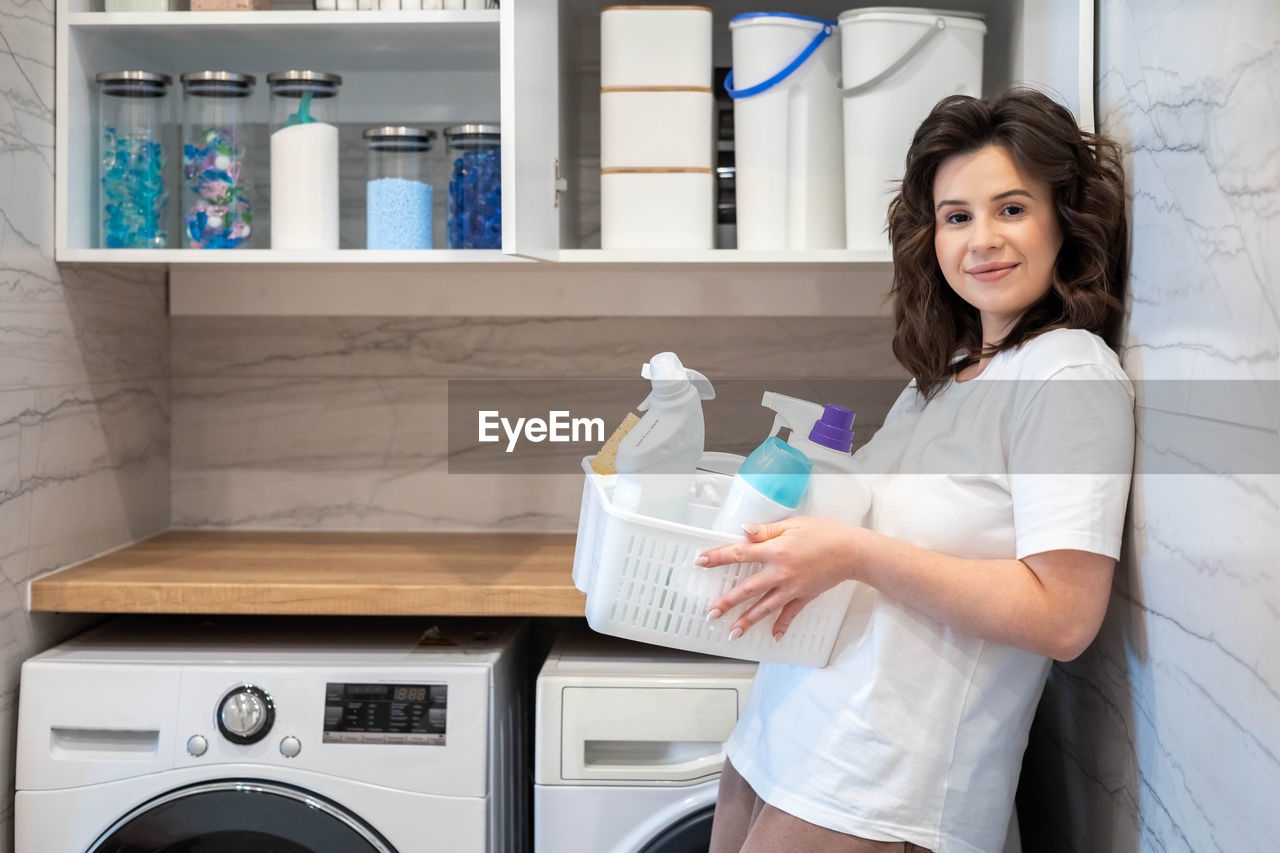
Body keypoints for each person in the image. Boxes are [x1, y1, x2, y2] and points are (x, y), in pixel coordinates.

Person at [699, 87, 1135, 853]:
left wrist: (852, 553)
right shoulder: (947, 373)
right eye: (956, 216)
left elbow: (1064, 615)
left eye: (1011, 208)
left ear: (1063, 218)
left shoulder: (1068, 376)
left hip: (883, 785)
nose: (982, 240)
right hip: (791, 732)